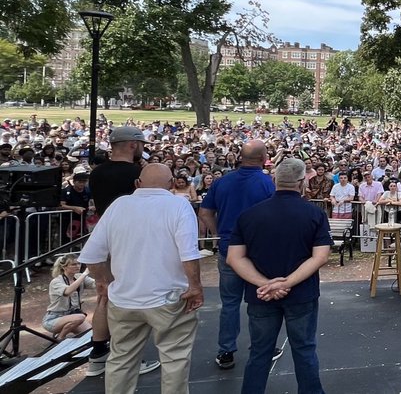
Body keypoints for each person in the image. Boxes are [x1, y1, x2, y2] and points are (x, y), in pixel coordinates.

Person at [78, 163, 204, 393]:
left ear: (138, 183)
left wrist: (104, 281)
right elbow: (188, 252)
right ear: (171, 184)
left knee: (121, 360)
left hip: (124, 298)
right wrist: (195, 286)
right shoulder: (178, 204)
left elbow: (91, 255)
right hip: (169, 299)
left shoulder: (119, 205)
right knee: (175, 360)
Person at [227, 158, 332, 394]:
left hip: (261, 295)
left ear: (275, 180)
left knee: (259, 352)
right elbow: (320, 257)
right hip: (301, 294)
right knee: (304, 350)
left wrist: (265, 284)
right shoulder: (314, 214)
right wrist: (288, 282)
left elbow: (234, 257)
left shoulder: (249, 215)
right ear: (302, 182)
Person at [83, 125, 160, 378]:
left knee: (104, 295)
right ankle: (126, 358)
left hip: (104, 236)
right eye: (141, 145)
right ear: (131, 145)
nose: (142, 149)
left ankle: (98, 353)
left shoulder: (96, 173)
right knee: (127, 299)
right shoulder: (137, 173)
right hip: (130, 242)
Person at [198, 139, 277, 370]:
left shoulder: (222, 182)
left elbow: (204, 211)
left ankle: (226, 351)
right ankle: (262, 347)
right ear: (264, 158)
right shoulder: (267, 183)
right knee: (260, 301)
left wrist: (217, 233)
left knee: (229, 304)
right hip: (257, 252)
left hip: (228, 249)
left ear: (239, 157)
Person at [44, 255, 94, 341]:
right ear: (64, 267)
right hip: (54, 319)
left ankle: (63, 332)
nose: (78, 266)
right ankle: (60, 338)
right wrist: (85, 274)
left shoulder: (79, 277)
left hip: (73, 316)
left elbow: (96, 284)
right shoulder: (56, 281)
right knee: (80, 317)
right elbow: (67, 291)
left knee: (91, 334)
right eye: (73, 264)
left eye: (79, 263)